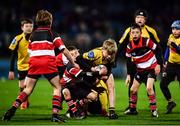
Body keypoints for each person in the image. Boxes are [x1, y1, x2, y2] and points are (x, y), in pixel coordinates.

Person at [2, 10, 78, 122]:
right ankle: (55, 115)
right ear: (50, 22)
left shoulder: (32, 35)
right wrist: (73, 62)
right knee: (57, 88)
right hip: (48, 63)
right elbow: (64, 50)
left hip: (34, 63)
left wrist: (37, 58)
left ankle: (11, 111)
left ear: (37, 22)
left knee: (27, 89)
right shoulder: (53, 33)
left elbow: (29, 52)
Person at [118, 9, 162, 111]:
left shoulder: (150, 32)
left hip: (149, 65)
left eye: (142, 18)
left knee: (149, 86)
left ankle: (153, 108)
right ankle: (132, 107)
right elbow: (121, 45)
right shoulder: (129, 31)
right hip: (136, 64)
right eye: (138, 17)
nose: (139, 19)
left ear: (145, 20)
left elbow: (158, 47)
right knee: (132, 86)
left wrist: (159, 63)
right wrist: (114, 60)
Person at [77, 38, 118, 119]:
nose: (110, 55)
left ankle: (112, 111)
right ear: (103, 49)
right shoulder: (94, 53)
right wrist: (91, 70)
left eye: (112, 53)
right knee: (91, 94)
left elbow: (109, 67)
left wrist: (104, 74)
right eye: (108, 53)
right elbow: (79, 59)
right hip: (88, 73)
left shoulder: (112, 54)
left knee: (111, 85)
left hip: (99, 73)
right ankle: (78, 107)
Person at [8, 18, 33, 109]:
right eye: (26, 26)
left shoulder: (34, 38)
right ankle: (25, 99)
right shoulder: (17, 39)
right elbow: (13, 55)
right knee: (22, 87)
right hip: (21, 66)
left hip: (32, 66)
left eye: (31, 26)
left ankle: (24, 101)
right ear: (22, 28)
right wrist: (11, 70)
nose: (29, 28)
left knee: (27, 85)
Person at [160, 20, 180, 114]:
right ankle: (171, 103)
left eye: (177, 29)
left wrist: (175, 46)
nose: (174, 31)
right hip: (171, 65)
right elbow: (168, 49)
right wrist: (165, 60)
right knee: (163, 84)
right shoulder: (171, 36)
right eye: (173, 28)